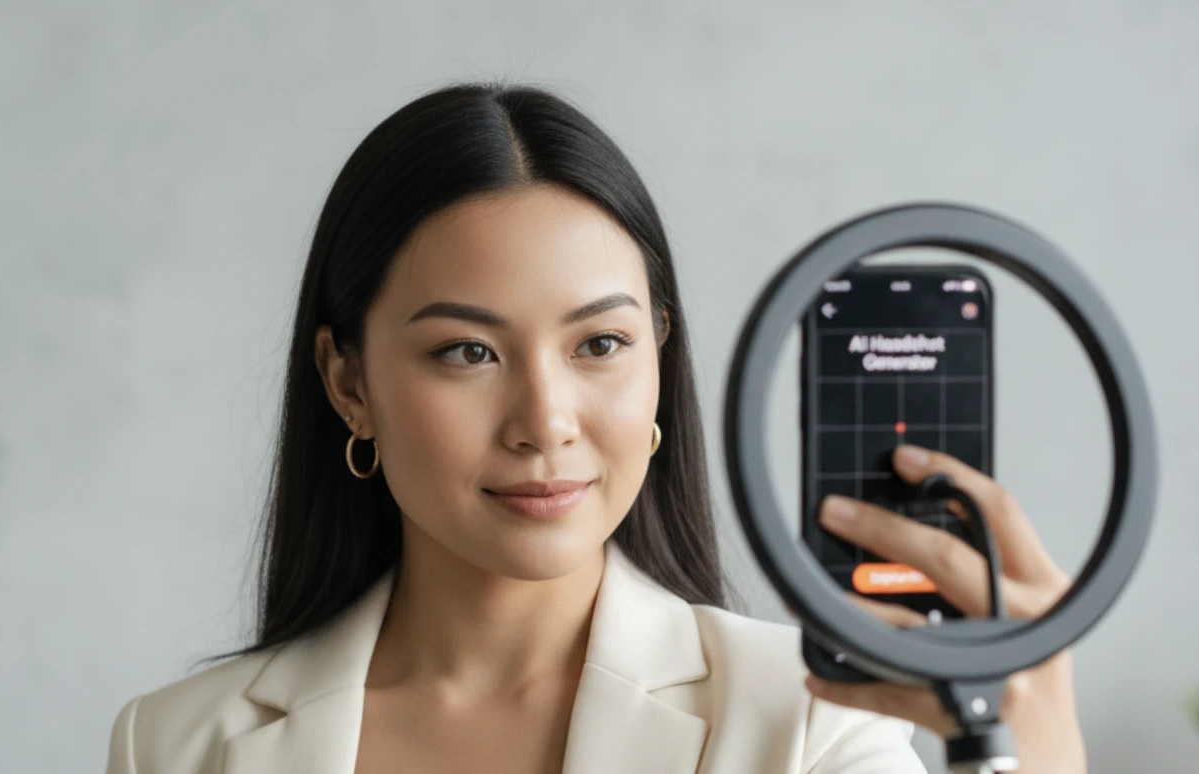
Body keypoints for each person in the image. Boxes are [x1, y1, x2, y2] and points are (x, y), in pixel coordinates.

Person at [103, 82, 1086, 773]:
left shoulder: (808, 728)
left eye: (601, 344)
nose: (545, 423)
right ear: (348, 382)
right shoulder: (176, 748)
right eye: (468, 352)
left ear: (659, 358)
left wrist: (1032, 743)